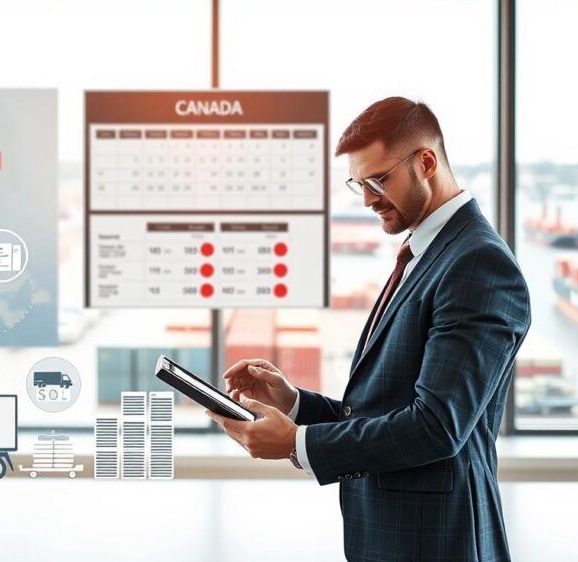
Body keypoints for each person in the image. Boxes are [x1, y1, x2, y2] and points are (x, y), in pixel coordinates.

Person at [208, 97, 531, 562]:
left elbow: (437, 426)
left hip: (438, 542)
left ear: (426, 162)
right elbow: (386, 408)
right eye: (359, 184)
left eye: (378, 180)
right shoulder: (431, 253)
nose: (367, 199)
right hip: (398, 537)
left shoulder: (477, 263)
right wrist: (294, 403)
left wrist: (296, 443)